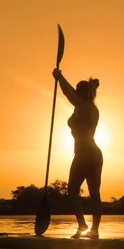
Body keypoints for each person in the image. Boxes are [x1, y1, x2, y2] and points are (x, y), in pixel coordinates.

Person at [52, 68, 103, 239]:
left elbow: (68, 92)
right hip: (95, 153)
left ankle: (82, 226)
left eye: (77, 90)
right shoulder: (93, 109)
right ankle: (94, 230)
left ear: (81, 93)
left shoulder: (82, 105)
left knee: (72, 191)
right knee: (94, 193)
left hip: (84, 153)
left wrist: (59, 77)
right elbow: (71, 94)